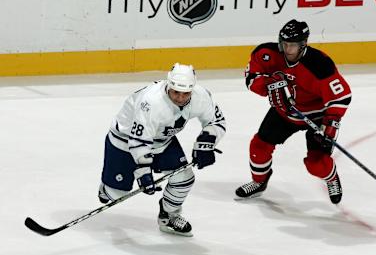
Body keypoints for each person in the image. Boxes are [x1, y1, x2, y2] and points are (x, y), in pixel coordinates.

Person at [98, 63, 226, 237]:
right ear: (168, 86)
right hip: (125, 141)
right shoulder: (151, 102)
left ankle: (169, 216)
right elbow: (139, 139)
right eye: (176, 93)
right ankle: (107, 188)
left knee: (184, 178)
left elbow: (216, 122)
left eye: (186, 93)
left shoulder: (201, 96)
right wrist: (143, 172)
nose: (181, 98)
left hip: (163, 141)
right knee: (115, 194)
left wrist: (207, 143)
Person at [235, 19, 352, 204]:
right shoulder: (267, 54)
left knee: (317, 164)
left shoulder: (320, 65)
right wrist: (267, 83)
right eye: (285, 44)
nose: (287, 49)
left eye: (293, 45)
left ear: (303, 44)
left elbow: (341, 97)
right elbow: (251, 78)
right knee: (258, 146)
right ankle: (259, 182)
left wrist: (330, 125)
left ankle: (331, 178)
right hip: (285, 112)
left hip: (318, 116)